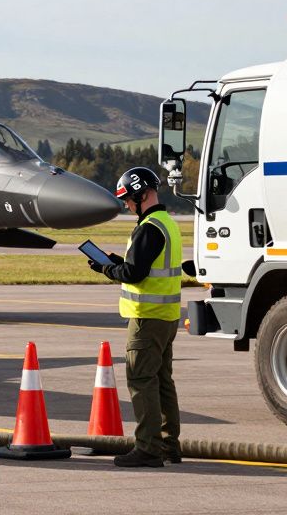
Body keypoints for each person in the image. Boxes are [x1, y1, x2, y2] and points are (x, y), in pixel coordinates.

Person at [88, 166, 188, 468]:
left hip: (146, 318)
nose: (128, 206)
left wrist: (107, 268)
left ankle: (148, 448)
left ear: (142, 194)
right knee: (162, 381)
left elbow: (134, 273)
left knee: (141, 380)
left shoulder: (148, 228)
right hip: (166, 316)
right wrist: (119, 262)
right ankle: (169, 445)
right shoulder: (167, 223)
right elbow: (142, 265)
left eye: (129, 200)